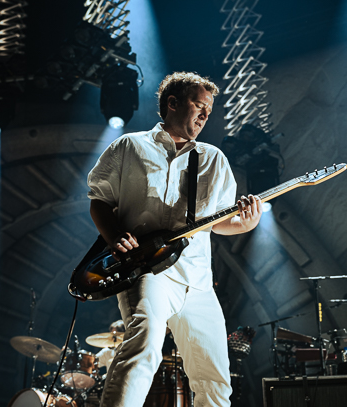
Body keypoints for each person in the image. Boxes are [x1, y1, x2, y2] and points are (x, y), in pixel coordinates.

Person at [87, 71, 262, 407]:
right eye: (199, 106)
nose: (205, 116)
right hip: (147, 272)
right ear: (172, 103)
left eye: (209, 111)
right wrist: (113, 237)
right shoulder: (129, 146)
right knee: (145, 347)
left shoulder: (213, 159)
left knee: (214, 378)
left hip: (197, 280)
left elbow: (219, 223)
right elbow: (99, 201)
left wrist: (246, 224)